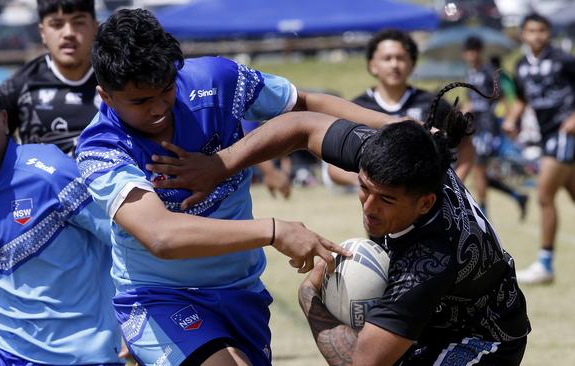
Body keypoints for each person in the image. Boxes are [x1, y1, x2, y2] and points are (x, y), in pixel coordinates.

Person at [75, 8, 400, 365]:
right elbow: (161, 236)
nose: (158, 109)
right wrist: (274, 231)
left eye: (166, 90)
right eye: (140, 101)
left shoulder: (217, 80)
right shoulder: (102, 147)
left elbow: (304, 105)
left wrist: (398, 127)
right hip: (158, 297)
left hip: (240, 289)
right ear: (106, 96)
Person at [148, 82, 531, 366]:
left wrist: (311, 299)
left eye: (386, 200)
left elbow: (363, 363)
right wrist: (220, 165)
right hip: (432, 316)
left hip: (483, 337)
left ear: (424, 202)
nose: (369, 206)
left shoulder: (428, 259)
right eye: (364, 189)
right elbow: (301, 126)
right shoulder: (396, 160)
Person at [0, 71, 124, 364]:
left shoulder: (52, 174)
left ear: (4, 120)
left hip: (83, 356)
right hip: (4, 353)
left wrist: (137, 326)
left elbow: (129, 242)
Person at [327, 29, 474, 187]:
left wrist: (453, 186)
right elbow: (334, 168)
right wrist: (372, 184)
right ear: (372, 65)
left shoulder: (433, 104)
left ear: (412, 63)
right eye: (387, 58)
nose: (394, 64)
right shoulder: (357, 108)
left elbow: (466, 146)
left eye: (400, 58)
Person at [503, 13, 575, 284]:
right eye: (531, 30)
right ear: (522, 34)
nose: (537, 35)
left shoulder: (563, 60)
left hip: (565, 133)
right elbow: (522, 98)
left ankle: (545, 264)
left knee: (544, 194)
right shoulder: (520, 66)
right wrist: (512, 118)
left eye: (542, 30)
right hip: (547, 136)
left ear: (549, 33)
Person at [0, 0, 99, 155]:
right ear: (42, 32)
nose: (68, 33)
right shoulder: (19, 86)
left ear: (95, 27)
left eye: (78, 22)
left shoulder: (117, 80)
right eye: (57, 24)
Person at [462, 36, 528, 219]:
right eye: (469, 52)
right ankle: (517, 196)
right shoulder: (470, 74)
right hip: (474, 128)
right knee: (479, 173)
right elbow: (471, 100)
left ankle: (483, 214)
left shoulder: (490, 72)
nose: (472, 55)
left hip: (488, 127)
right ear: (464, 54)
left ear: (480, 52)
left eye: (475, 51)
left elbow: (505, 97)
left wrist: (510, 120)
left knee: (478, 170)